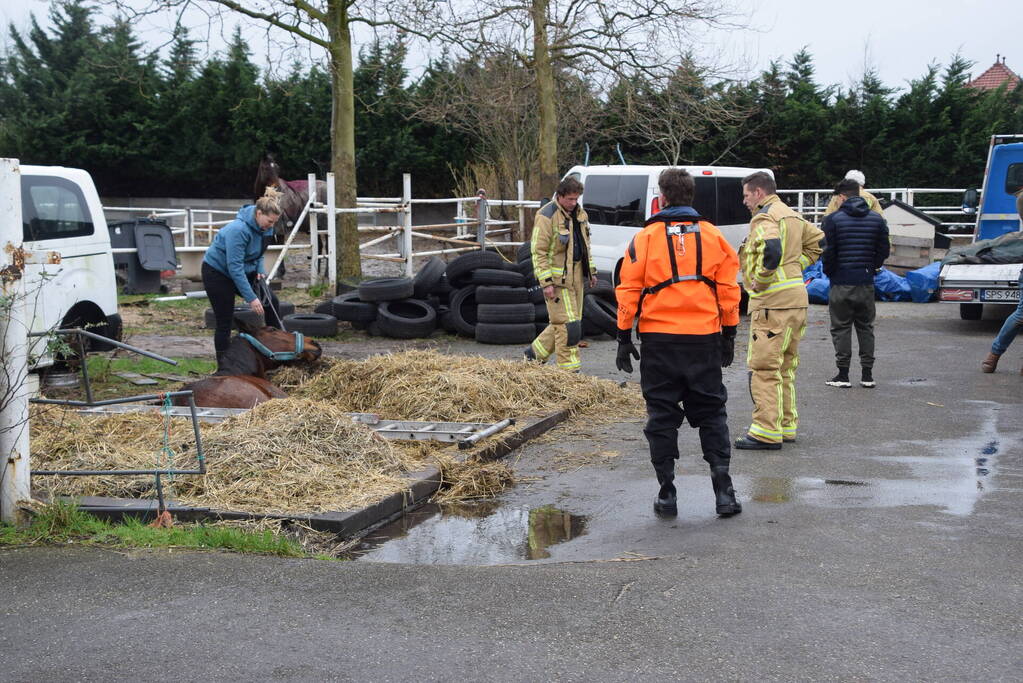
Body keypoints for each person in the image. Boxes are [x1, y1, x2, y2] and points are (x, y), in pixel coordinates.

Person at [615, 168, 742, 517]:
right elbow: (730, 291)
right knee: (712, 413)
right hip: (703, 339)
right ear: (692, 195)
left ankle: (667, 493)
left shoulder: (646, 238)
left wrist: (624, 335)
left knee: (662, 416)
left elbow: (628, 290)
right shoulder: (714, 237)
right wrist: (729, 334)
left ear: (663, 196)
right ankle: (724, 492)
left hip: (659, 341)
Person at [735, 171, 824, 450]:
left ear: (759, 193)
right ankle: (786, 426)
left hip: (772, 303)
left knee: (763, 368)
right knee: (785, 367)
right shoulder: (792, 215)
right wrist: (795, 266)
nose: (745, 201)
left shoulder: (764, 217)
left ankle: (765, 431)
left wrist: (760, 281)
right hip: (796, 301)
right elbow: (820, 242)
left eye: (747, 195)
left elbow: (771, 249)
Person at [202, 187, 283, 369]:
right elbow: (234, 267)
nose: (271, 226)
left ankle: (278, 351)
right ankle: (224, 367)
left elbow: (260, 253)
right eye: (269, 221)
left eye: (273, 223)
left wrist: (260, 268)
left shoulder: (266, 228)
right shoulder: (238, 230)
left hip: (245, 269)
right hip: (218, 273)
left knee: (271, 302)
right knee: (224, 320)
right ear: (258, 213)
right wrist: (251, 298)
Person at [821, 178, 891, 388]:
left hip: (841, 281)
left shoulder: (832, 220)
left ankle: (843, 375)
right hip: (866, 281)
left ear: (842, 196)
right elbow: (884, 250)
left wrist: (831, 272)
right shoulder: (877, 219)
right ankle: (867, 375)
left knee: (841, 327)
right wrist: (873, 267)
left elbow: (828, 252)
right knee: (865, 327)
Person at [525, 177, 597, 372]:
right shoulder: (546, 216)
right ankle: (569, 372)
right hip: (557, 283)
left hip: (577, 280)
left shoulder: (581, 215)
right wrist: (546, 282)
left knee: (565, 322)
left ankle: (533, 355)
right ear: (560, 196)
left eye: (576, 199)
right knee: (569, 326)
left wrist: (591, 272)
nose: (574, 203)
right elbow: (538, 251)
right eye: (570, 199)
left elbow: (585, 246)